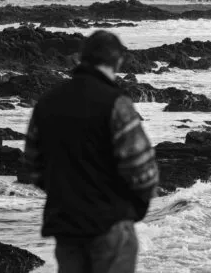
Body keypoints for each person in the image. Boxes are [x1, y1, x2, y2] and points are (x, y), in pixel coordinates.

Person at [24, 30, 159, 273]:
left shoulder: (47, 102)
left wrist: (66, 195)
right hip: (110, 225)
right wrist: (134, 210)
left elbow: (33, 165)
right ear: (117, 61)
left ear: (82, 59)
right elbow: (143, 170)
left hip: (66, 226)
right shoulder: (116, 104)